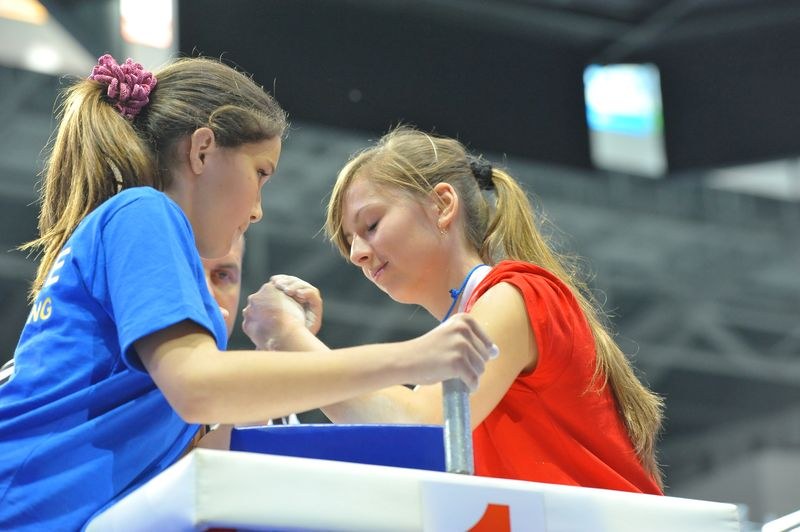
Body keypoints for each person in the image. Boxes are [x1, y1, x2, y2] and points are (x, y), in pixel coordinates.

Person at [0, 57, 496, 531]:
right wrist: (412, 358)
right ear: (201, 150)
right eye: (260, 173)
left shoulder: (131, 231)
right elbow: (200, 387)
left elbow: (205, 438)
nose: (258, 209)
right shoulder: (142, 212)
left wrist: (283, 345)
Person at [245, 126, 665, 494]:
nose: (357, 253)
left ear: (442, 205)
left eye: (370, 225)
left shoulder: (518, 296)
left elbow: (420, 429)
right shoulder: (474, 325)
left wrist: (290, 338)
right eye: (349, 242)